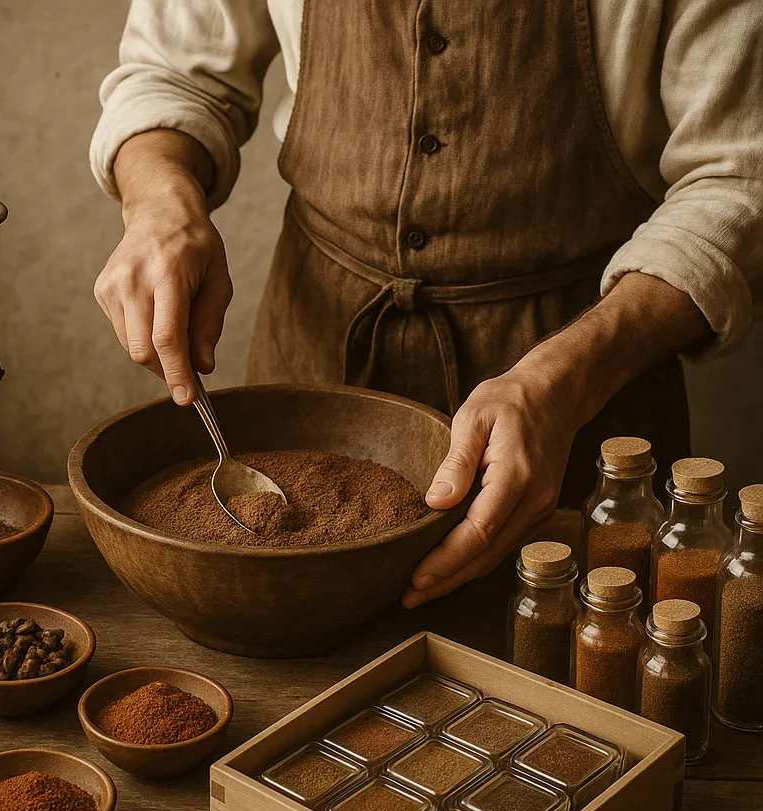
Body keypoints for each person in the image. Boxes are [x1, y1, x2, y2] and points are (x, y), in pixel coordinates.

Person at [91, 1, 762, 607]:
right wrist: (159, 202)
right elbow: (172, 73)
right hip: (316, 340)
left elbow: (739, 178)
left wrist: (566, 381)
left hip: (583, 385)